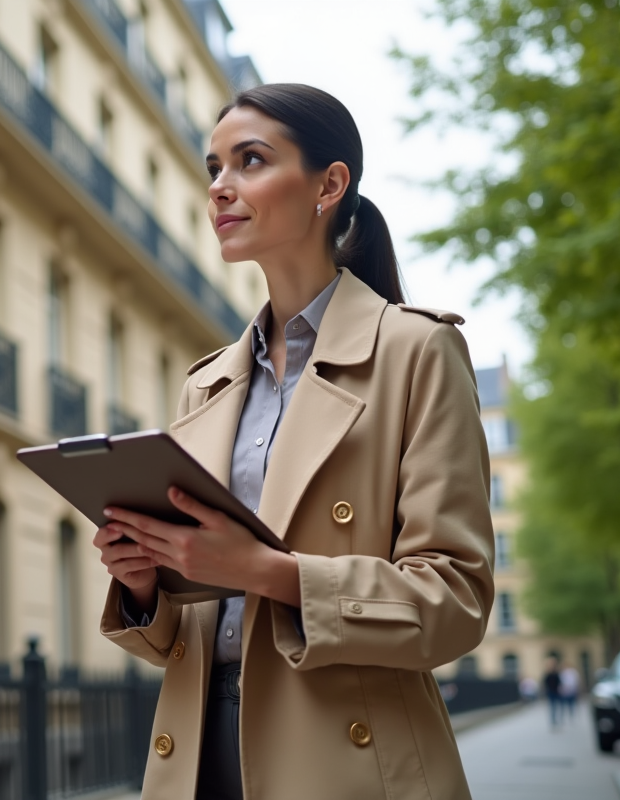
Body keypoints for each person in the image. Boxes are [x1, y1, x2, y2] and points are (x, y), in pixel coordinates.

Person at [91, 84, 494, 800]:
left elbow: (456, 600)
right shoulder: (206, 384)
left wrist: (269, 572)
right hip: (195, 754)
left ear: (329, 185)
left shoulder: (416, 351)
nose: (220, 187)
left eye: (250, 161)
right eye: (213, 166)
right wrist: (145, 582)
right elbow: (183, 635)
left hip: (345, 757)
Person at [543, 657, 563, 729]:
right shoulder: (547, 673)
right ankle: (553, 721)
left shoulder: (557, 672)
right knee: (552, 707)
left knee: (558, 707)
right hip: (551, 692)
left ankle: (558, 720)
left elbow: (560, 682)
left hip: (557, 692)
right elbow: (545, 683)